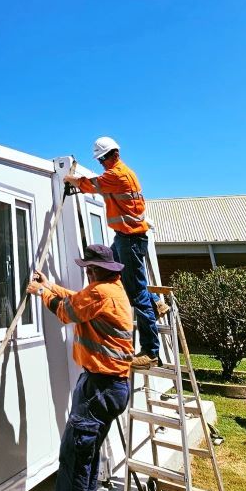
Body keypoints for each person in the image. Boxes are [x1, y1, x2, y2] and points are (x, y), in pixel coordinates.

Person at [24, 244, 133, 491]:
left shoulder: (100, 293)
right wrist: (52, 284)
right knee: (84, 463)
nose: (86, 273)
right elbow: (77, 299)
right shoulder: (112, 291)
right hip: (110, 390)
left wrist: (42, 292)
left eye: (88, 268)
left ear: (95, 270)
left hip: (99, 390)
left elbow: (66, 311)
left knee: (73, 464)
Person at [63, 136, 161, 367]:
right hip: (126, 237)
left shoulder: (117, 175)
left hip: (130, 238)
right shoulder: (124, 172)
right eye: (99, 160)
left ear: (114, 154)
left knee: (136, 295)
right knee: (117, 273)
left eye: (102, 158)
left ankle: (151, 351)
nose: (101, 163)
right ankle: (156, 301)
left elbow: (90, 185)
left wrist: (69, 178)